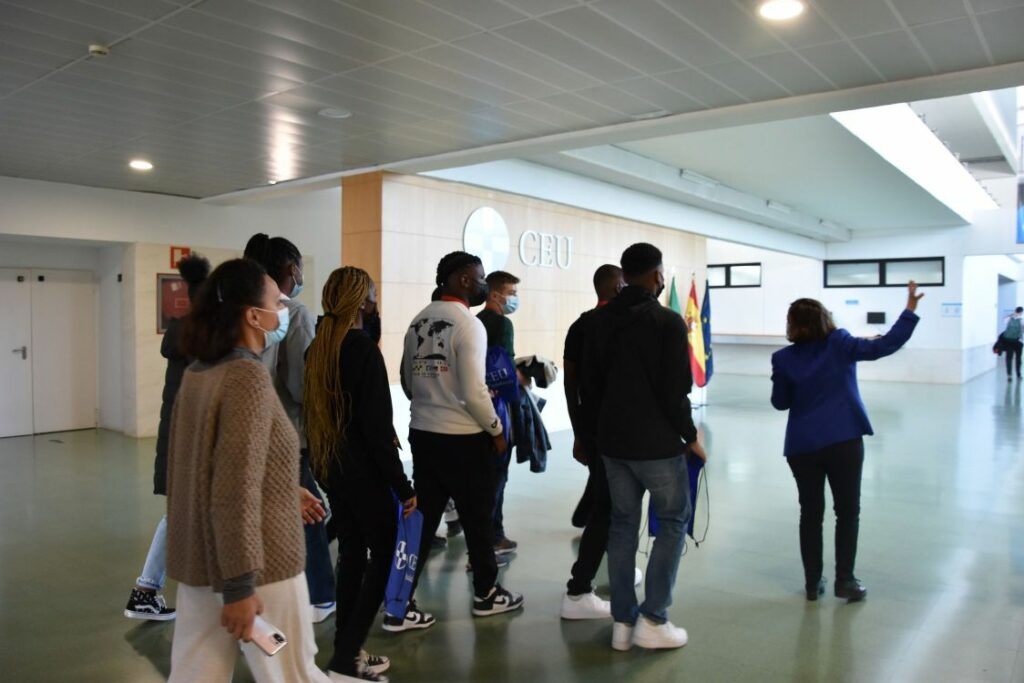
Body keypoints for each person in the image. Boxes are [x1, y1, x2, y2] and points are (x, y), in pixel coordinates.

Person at [165, 258, 329, 683]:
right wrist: (240, 586)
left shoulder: (201, 373)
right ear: (254, 316)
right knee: (294, 674)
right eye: (278, 301)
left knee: (195, 673)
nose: (284, 309)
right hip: (261, 566)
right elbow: (232, 489)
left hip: (201, 563)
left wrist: (282, 487)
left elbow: (208, 467)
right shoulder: (248, 378)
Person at [580, 243, 706, 652]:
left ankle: (622, 622)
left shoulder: (598, 322)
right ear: (656, 275)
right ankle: (653, 619)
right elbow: (675, 392)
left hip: (613, 446)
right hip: (657, 448)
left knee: (622, 526)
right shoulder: (667, 323)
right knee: (671, 522)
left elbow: (591, 388)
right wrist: (691, 436)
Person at [771, 283, 924, 603]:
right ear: (825, 319)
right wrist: (909, 310)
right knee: (847, 512)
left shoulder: (783, 358)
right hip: (844, 441)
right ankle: (845, 581)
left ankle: (813, 583)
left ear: (793, 325)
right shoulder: (840, 344)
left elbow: (780, 403)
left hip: (803, 447)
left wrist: (784, 379)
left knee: (810, 514)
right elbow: (885, 345)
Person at [305, 267, 416, 682]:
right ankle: (347, 656)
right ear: (360, 302)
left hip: (332, 468)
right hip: (364, 472)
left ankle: (345, 650)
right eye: (372, 295)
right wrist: (403, 487)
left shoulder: (317, 349)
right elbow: (375, 431)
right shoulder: (363, 350)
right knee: (383, 555)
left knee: (352, 553)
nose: (375, 302)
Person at [402, 251, 524, 621]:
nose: (486, 285)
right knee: (478, 520)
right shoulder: (469, 325)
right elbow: (474, 391)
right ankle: (486, 594)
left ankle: (399, 602)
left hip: (424, 435)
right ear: (464, 280)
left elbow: (408, 383)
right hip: (465, 441)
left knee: (421, 525)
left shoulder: (418, 321)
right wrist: (497, 429)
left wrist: (435, 398)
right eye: (481, 278)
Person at [244, 233, 336, 624]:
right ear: (289, 269)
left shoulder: (239, 312)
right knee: (311, 513)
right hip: (287, 434)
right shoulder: (292, 312)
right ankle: (320, 596)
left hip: (251, 431)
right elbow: (302, 382)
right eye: (297, 267)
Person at [124, 253, 210, 621]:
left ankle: (146, 589)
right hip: (189, 444)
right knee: (184, 517)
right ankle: (149, 589)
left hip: (175, 441)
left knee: (177, 516)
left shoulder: (183, 334)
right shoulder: (205, 340)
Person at [560, 264, 626, 620]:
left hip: (595, 431)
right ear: (617, 286)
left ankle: (613, 571)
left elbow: (571, 386)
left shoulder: (580, 326)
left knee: (612, 504)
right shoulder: (622, 324)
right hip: (621, 434)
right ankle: (579, 587)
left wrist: (578, 433)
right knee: (610, 509)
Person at [477, 270, 521, 556]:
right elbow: (505, 370)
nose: (515, 299)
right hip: (497, 410)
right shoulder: (502, 325)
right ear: (495, 294)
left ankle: (487, 534)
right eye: (512, 293)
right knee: (497, 477)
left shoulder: (474, 321)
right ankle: (493, 536)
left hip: (473, 408)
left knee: (482, 477)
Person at [1002, 306, 1023, 381]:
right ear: (1021, 312)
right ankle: (1018, 374)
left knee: (1009, 358)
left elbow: (1004, 320)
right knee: (1018, 359)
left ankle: (1009, 375)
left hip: (1009, 341)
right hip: (1018, 342)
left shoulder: (1009, 318)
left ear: (1015, 311)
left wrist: (1012, 314)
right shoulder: (1022, 320)